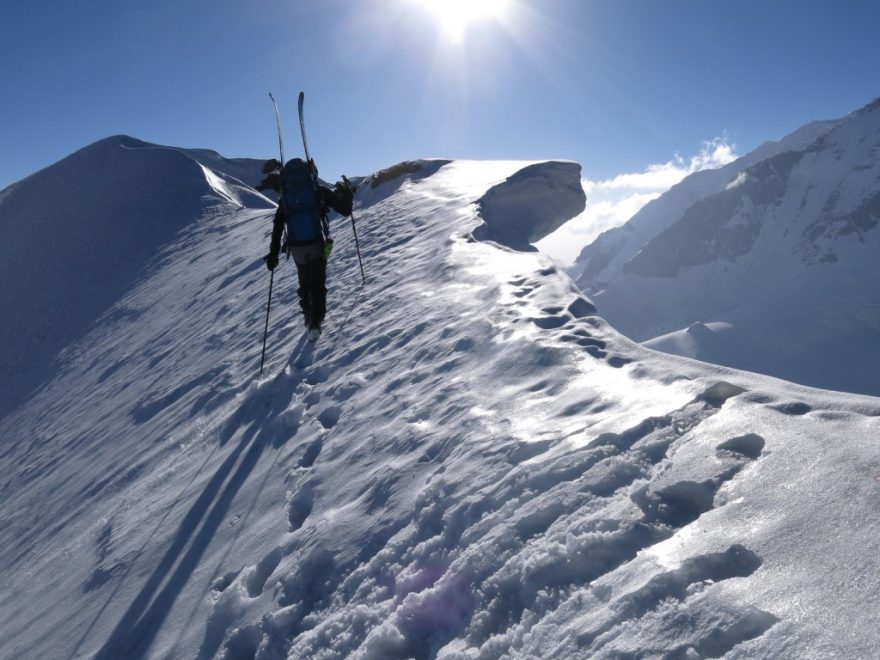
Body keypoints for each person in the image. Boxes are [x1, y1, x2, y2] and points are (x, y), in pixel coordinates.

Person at [260, 158, 353, 338]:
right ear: (311, 173)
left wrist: (273, 253)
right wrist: (347, 193)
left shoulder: (286, 196)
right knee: (318, 285)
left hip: (296, 248)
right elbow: (345, 210)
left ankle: (308, 315)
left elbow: (278, 225)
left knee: (305, 283)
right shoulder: (317, 190)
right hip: (316, 244)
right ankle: (315, 324)